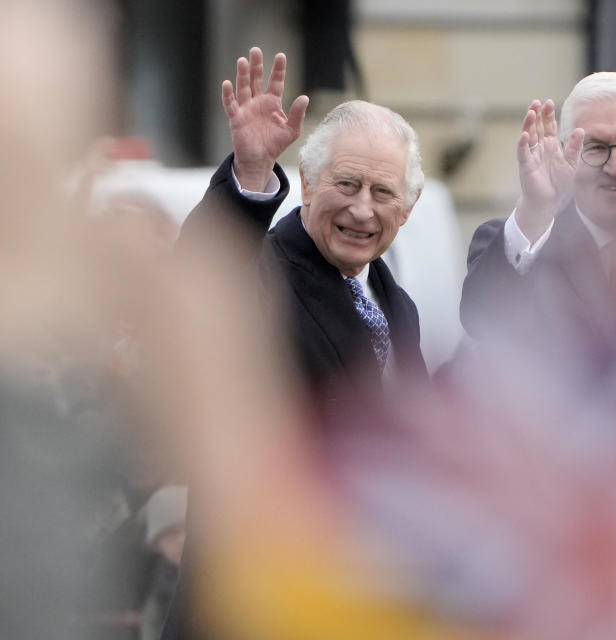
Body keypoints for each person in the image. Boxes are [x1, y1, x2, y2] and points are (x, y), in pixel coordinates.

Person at [163, 46, 428, 640]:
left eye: (383, 193)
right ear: (307, 184)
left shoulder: (399, 310)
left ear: (406, 211)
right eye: (347, 184)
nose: (362, 209)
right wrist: (251, 175)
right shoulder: (266, 270)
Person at [459, 71, 616, 354]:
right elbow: (483, 320)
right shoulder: (529, 243)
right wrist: (536, 208)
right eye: (595, 148)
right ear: (564, 155)